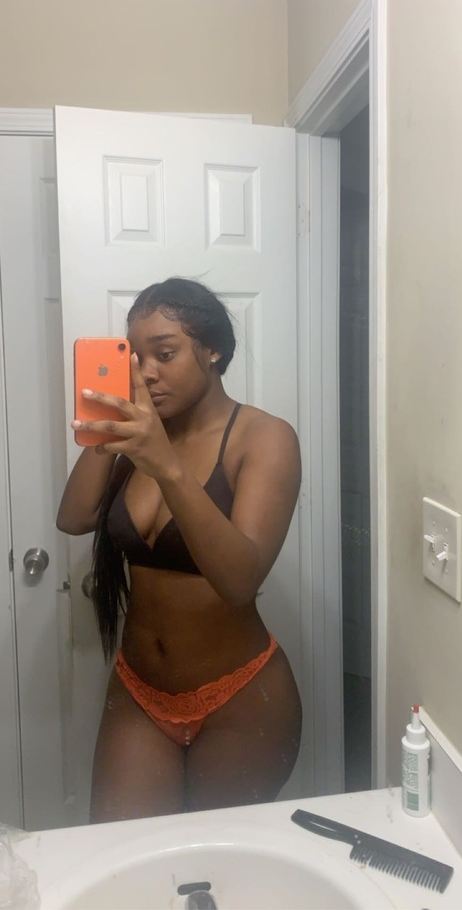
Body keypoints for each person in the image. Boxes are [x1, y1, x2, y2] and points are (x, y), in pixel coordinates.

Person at [57, 277, 302, 822]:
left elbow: (239, 581)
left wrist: (165, 465)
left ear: (212, 350)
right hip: (139, 692)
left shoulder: (263, 438)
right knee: (122, 854)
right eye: (135, 357)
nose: (146, 372)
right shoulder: (138, 435)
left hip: (240, 697)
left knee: (218, 861)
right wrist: (106, 428)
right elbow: (72, 519)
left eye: (164, 354)